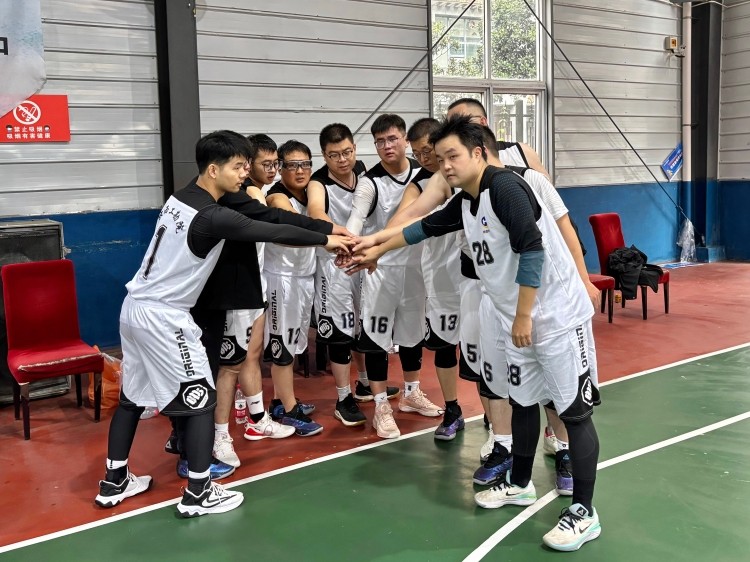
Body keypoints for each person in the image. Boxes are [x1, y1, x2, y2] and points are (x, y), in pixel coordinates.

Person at [346, 116, 602, 552]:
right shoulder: (468, 199)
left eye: (453, 156)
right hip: (516, 317)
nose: (445, 165)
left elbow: (533, 249)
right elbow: (420, 229)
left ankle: (584, 511)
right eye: (439, 158)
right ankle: (520, 483)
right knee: (523, 402)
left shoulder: (505, 188)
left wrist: (523, 316)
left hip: (555, 317)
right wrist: (372, 248)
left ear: (479, 153)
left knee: (574, 412)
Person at [94, 130, 351, 517]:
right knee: (201, 399)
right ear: (213, 170)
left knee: (132, 399)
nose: (245, 173)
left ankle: (114, 481)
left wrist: (325, 229)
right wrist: (325, 240)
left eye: (247, 165)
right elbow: (271, 230)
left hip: (134, 309)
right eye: (238, 167)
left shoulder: (185, 196)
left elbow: (269, 217)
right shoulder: (212, 216)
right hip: (164, 316)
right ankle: (199, 491)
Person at [345, 113, 442, 439]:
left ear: (405, 140)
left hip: (417, 268)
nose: (387, 146)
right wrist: (350, 244)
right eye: (379, 142)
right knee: (376, 338)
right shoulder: (369, 182)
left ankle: (412, 393)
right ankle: (381, 405)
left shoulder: (425, 174)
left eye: (392, 139)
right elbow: (357, 218)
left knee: (413, 335)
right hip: (381, 269)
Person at [307, 123, 399, 427]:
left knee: (364, 324)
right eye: (334, 155)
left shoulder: (363, 174)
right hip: (333, 264)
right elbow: (316, 213)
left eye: (347, 152)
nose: (342, 159)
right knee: (340, 331)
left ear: (355, 149)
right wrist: (345, 233)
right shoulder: (318, 183)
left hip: (362, 258)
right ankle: (342, 397)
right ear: (324, 155)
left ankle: (364, 383)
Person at [397, 117, 465, 440]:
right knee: (444, 346)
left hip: (476, 277)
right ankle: (452, 409)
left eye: (428, 151)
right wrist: (373, 244)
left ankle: (497, 419)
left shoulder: (469, 177)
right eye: (417, 153)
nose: (424, 159)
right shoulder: (421, 184)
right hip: (439, 277)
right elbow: (405, 216)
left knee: (484, 350)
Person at [263, 140, 327, 436]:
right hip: (281, 279)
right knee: (282, 346)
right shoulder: (276, 196)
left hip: (304, 276)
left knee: (295, 341)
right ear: (280, 168)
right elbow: (298, 227)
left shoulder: (310, 191)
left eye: (305, 164)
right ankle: (289, 412)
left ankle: (280, 401)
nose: (300, 171)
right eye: (292, 165)